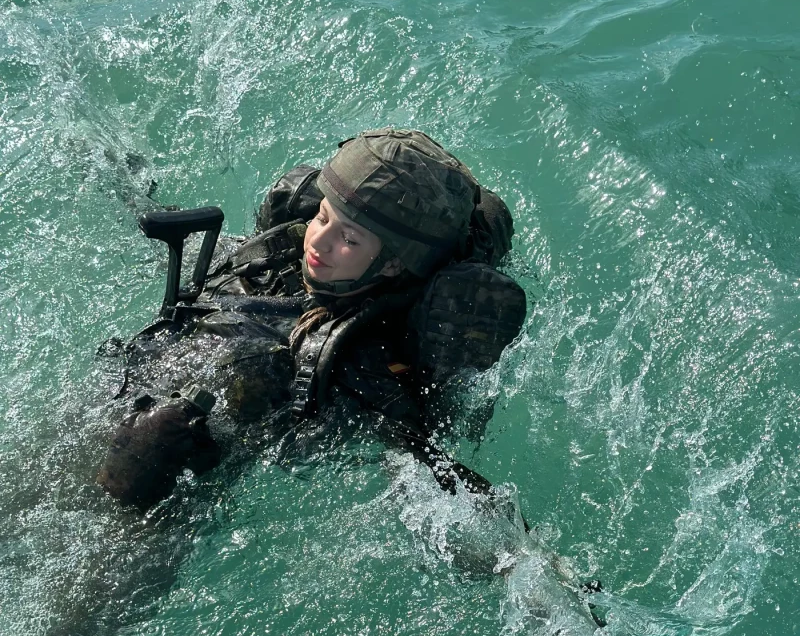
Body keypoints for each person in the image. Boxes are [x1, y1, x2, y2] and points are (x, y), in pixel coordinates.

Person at [96, 128, 526, 510]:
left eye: (349, 238)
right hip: (129, 390)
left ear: (393, 265)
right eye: (323, 216)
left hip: (175, 478)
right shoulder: (278, 257)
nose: (319, 240)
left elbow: (437, 482)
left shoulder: (367, 366)